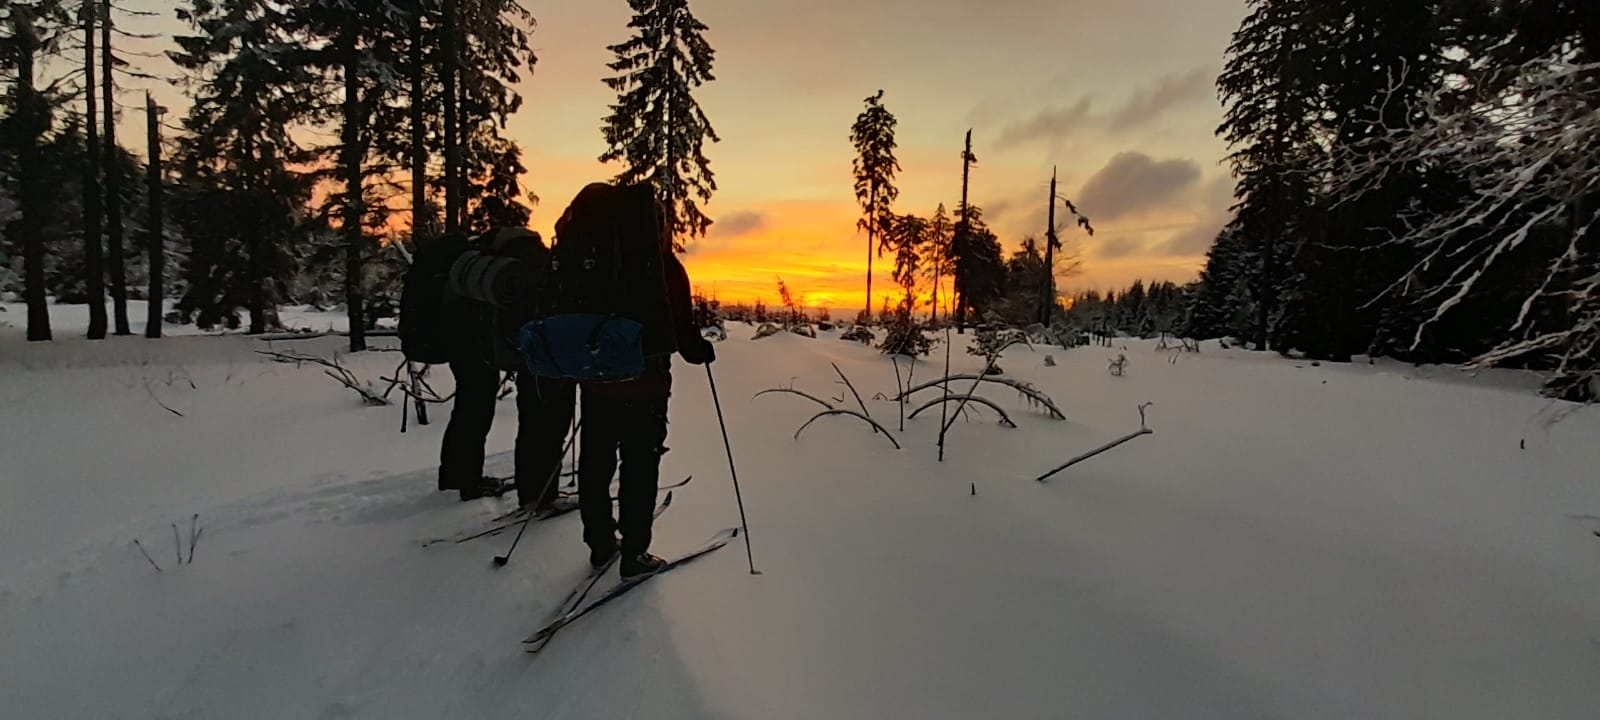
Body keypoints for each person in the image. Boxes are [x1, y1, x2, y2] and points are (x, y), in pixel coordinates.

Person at [574, 200, 716, 580]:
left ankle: (600, 543)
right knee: (640, 465)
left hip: (596, 381)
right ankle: (634, 553)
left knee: (595, 461)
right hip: (646, 384)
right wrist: (702, 351)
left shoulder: (592, 262)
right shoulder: (664, 267)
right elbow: (685, 336)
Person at [438, 227, 578, 511]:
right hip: (529, 353)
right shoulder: (531, 264)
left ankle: (458, 476)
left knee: (472, 410)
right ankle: (538, 494)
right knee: (542, 421)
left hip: (471, 348)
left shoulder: (479, 263)